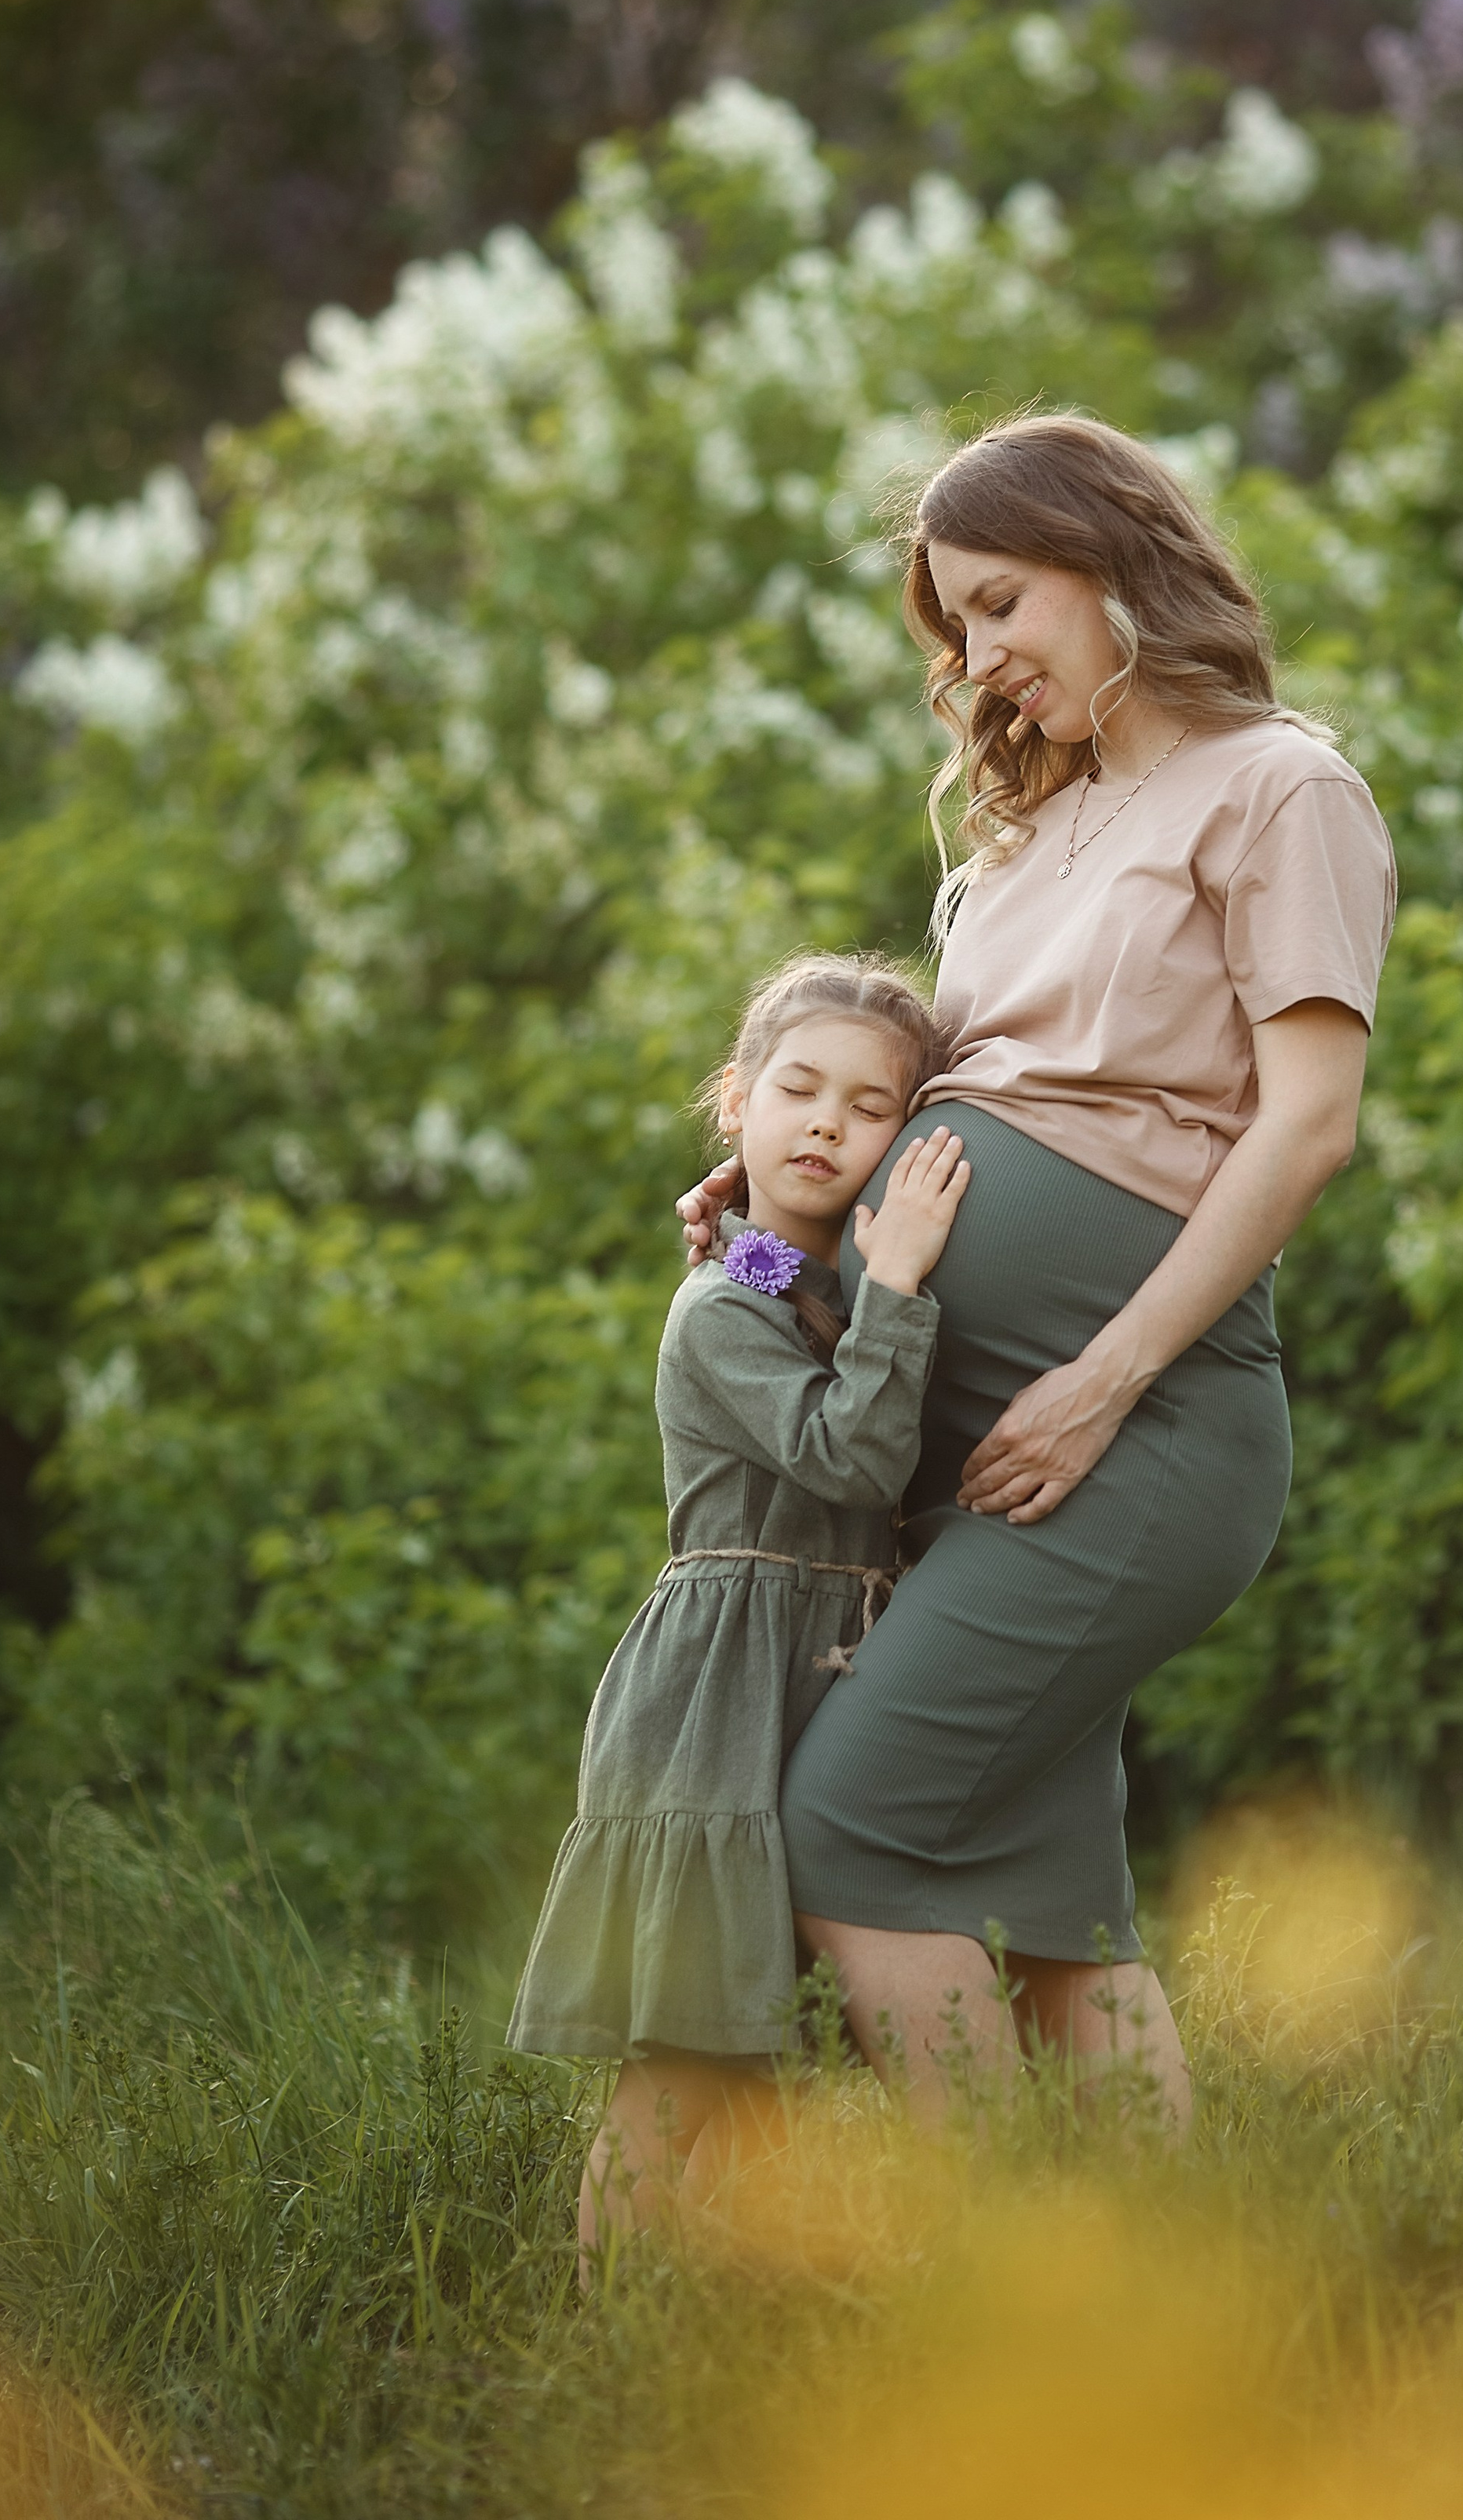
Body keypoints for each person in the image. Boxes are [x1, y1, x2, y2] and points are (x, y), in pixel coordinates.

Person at [683, 414, 1397, 2128]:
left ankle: (998, 2273)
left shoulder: (1278, 788)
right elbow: (935, 1112)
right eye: (957, 627)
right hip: (973, 1430)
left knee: (848, 1827)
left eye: (1001, 605)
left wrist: (1103, 1379)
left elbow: (1303, 1130)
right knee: (1057, 1905)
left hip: (1131, 1426)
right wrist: (786, 1216)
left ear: (1108, 558)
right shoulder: (1021, 839)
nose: (981, 659)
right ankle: (1170, 2271)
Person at [507, 954, 970, 2252]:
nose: (826, 1122)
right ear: (739, 1101)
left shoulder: (774, 1272)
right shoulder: (720, 1305)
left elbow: (798, 1283)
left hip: (807, 1674)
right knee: (684, 2063)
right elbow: (853, 1457)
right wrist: (901, 1280)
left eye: (870, 1108)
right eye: (797, 1089)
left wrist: (819, 1247)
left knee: (762, 2070)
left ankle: (713, 2352)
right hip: (719, 1695)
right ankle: (604, 2356)